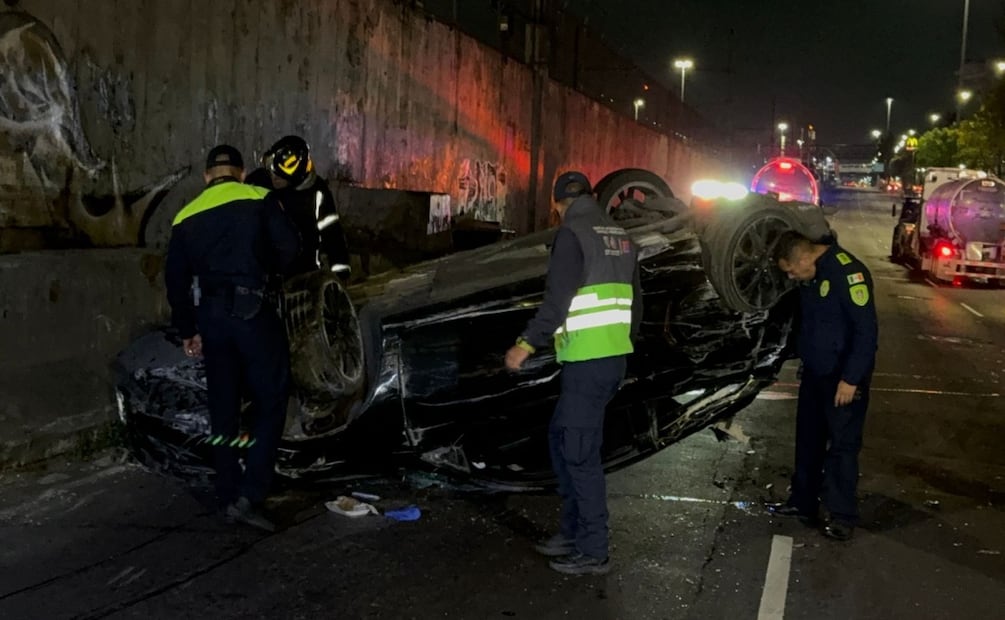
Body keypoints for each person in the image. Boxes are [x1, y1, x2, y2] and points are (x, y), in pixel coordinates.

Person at [504, 171, 642, 575]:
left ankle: (593, 549)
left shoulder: (572, 233)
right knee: (563, 439)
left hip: (588, 361)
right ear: (593, 197)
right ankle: (571, 532)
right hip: (610, 359)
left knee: (579, 455)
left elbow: (557, 301)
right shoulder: (621, 235)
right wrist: (623, 345)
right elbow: (637, 305)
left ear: (558, 204)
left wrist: (525, 344)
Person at [165, 144, 301, 532]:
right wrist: (266, 272)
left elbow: (175, 281)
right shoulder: (259, 197)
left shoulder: (185, 216)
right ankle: (251, 492)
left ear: (207, 176)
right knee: (272, 397)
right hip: (253, 311)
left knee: (222, 406)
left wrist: (188, 330)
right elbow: (290, 248)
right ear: (239, 172)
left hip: (211, 318)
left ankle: (227, 489)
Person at [767, 230, 878, 541]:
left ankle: (842, 515)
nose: (790, 276)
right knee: (808, 440)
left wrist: (851, 379)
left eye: (790, 269)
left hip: (842, 378)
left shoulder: (848, 273)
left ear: (804, 257)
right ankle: (802, 502)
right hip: (816, 374)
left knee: (842, 447)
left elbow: (866, 332)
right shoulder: (812, 277)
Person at [246, 135, 351, 280]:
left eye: (278, 174)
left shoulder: (316, 191)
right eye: (270, 171)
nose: (273, 177)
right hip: (265, 275)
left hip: (305, 276)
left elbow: (332, 235)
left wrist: (341, 274)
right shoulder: (257, 183)